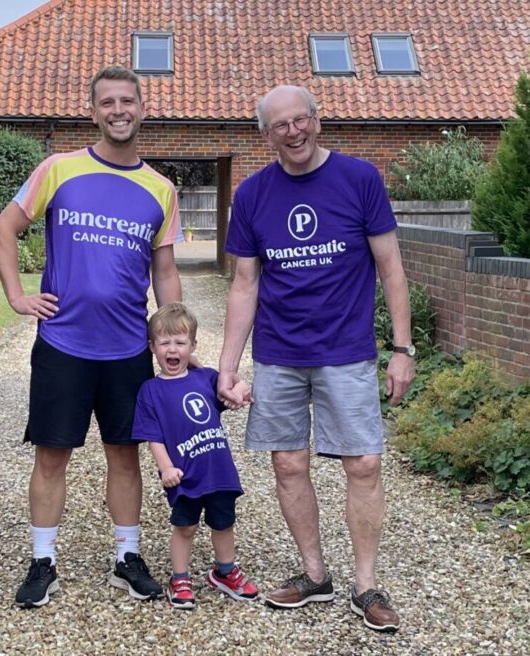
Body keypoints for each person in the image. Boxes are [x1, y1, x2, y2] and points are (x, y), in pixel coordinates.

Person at [217, 85, 415, 632]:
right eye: (279, 126)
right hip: (279, 354)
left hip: (347, 353)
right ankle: (314, 574)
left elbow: (392, 268)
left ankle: (367, 585)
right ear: (266, 135)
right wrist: (228, 365)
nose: (293, 132)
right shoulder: (254, 194)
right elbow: (244, 284)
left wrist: (402, 348)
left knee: (365, 464)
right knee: (288, 463)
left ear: (317, 120)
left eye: (300, 120)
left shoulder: (359, 179)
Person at [0, 65, 183, 608]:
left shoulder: (160, 188)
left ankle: (127, 556)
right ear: (93, 111)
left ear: (143, 109)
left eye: (128, 101)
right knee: (52, 456)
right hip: (64, 345)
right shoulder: (59, 169)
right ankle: (42, 560)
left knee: (125, 456)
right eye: (108, 103)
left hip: (127, 349)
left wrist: (172, 331)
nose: (118, 111)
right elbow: (4, 229)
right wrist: (16, 296)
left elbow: (164, 269)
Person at [132, 303, 257, 610]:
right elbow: (153, 436)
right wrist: (165, 468)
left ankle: (225, 571)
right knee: (185, 526)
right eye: (164, 342)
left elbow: (234, 385)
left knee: (223, 522)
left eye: (180, 342)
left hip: (218, 470)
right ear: (152, 347)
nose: (172, 349)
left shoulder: (205, 378)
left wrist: (241, 389)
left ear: (193, 346)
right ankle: (180, 577)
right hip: (184, 474)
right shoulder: (150, 391)